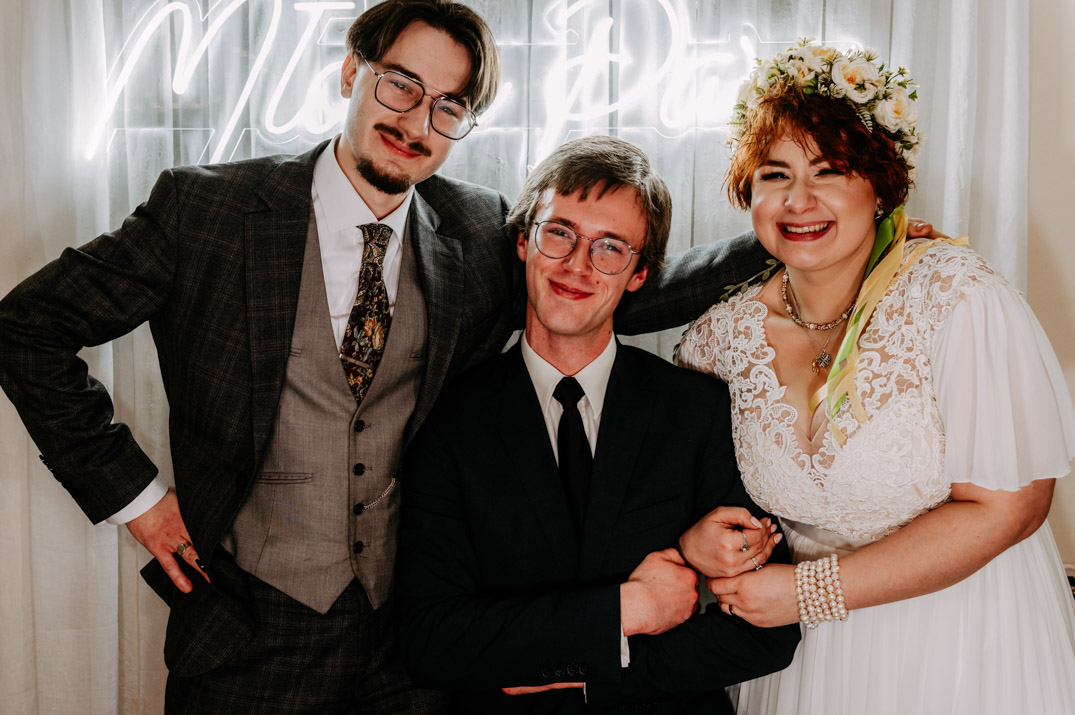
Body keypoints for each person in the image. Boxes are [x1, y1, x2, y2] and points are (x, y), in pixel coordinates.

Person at [0, 1, 800, 711]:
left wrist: (794, 239)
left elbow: (595, 291)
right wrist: (138, 499)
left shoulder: (475, 230)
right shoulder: (208, 209)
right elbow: (26, 327)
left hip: (406, 657)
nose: (417, 120)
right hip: (246, 633)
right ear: (352, 71)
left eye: (448, 105)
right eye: (400, 85)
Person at [676, 41, 1075, 714]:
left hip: (964, 640)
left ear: (880, 184)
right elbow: (686, 499)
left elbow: (1012, 507)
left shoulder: (955, 297)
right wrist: (699, 541)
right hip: (801, 660)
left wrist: (808, 592)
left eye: (829, 170)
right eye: (774, 174)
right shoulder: (718, 341)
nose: (798, 200)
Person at [395, 135, 801, 714]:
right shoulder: (449, 417)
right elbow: (432, 641)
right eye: (559, 233)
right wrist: (627, 611)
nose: (577, 266)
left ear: (639, 273)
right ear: (523, 241)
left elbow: (768, 629)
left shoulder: (697, 409)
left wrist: (587, 675)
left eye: (611, 247)